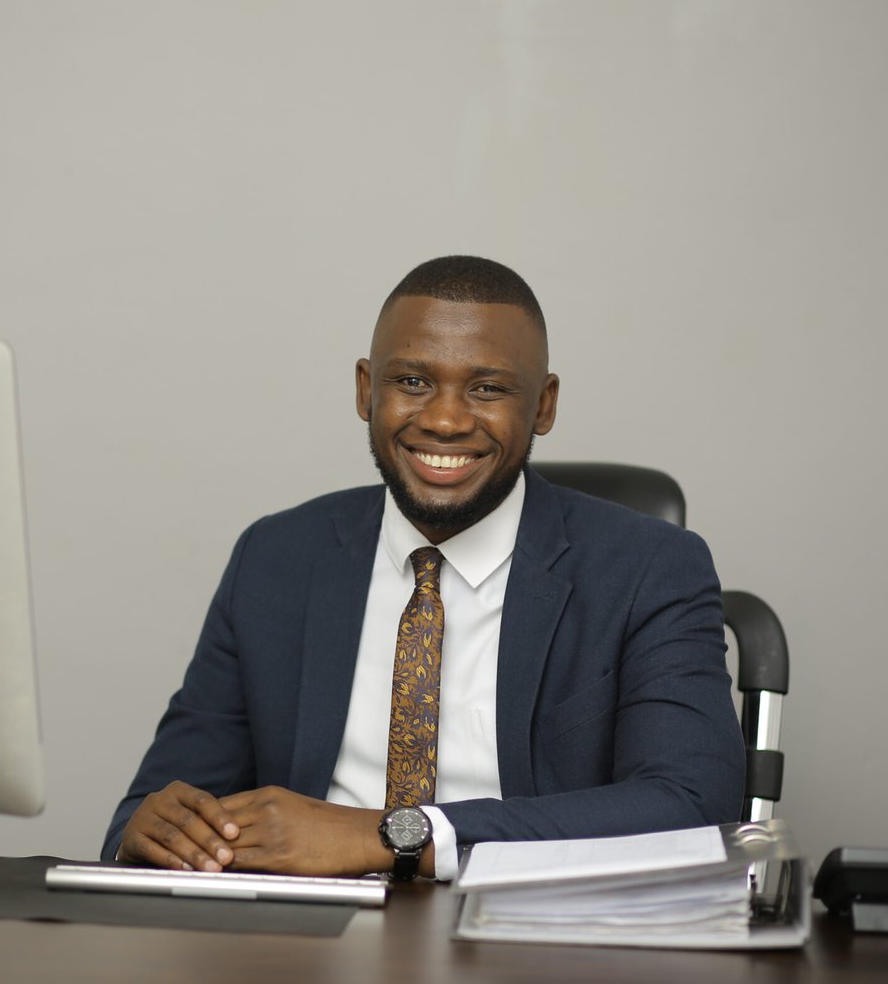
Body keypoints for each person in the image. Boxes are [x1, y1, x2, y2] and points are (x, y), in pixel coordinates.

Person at [101, 256, 745, 880]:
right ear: (366, 390)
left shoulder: (649, 568)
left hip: (523, 922)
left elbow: (692, 805)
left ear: (544, 406)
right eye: (411, 382)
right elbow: (155, 813)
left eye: (487, 388)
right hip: (309, 927)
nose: (444, 420)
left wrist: (385, 836)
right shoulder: (276, 558)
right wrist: (160, 831)